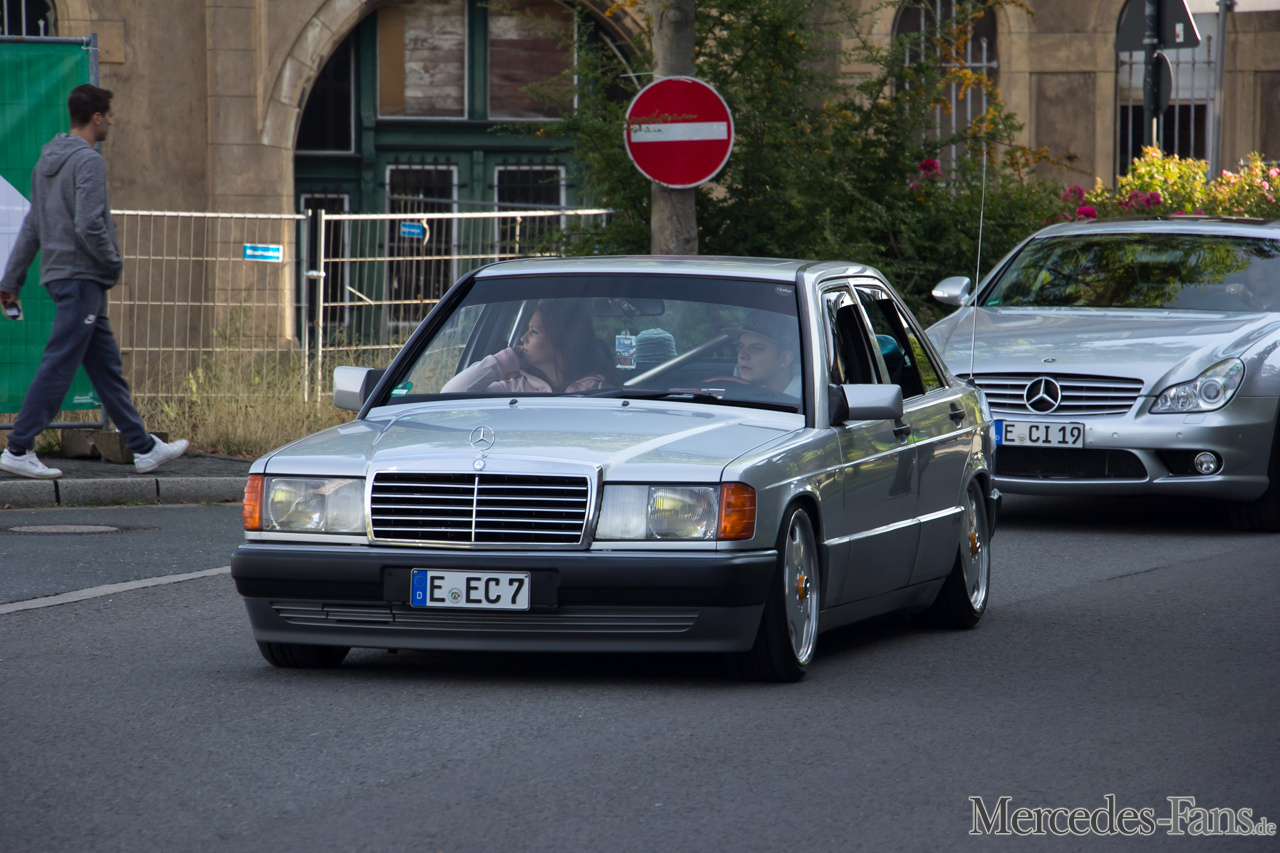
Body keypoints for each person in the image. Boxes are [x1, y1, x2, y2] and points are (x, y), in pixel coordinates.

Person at [0, 84, 187, 480]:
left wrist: (12, 280)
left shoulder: (45, 162)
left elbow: (33, 226)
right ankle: (18, 447)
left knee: (105, 368)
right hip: (82, 278)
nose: (112, 123)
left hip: (63, 277)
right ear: (97, 117)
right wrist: (113, 262)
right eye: (109, 116)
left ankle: (143, 447)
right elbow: (88, 223)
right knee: (59, 363)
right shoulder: (88, 160)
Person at [442, 299, 620, 393]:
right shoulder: (514, 388)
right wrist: (502, 361)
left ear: (560, 340)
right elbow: (451, 394)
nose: (522, 338)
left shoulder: (600, 389)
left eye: (534, 331)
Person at [723, 310, 803, 397]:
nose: (742, 355)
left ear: (784, 359)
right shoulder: (730, 394)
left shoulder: (809, 400)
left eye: (756, 348)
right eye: (741, 347)